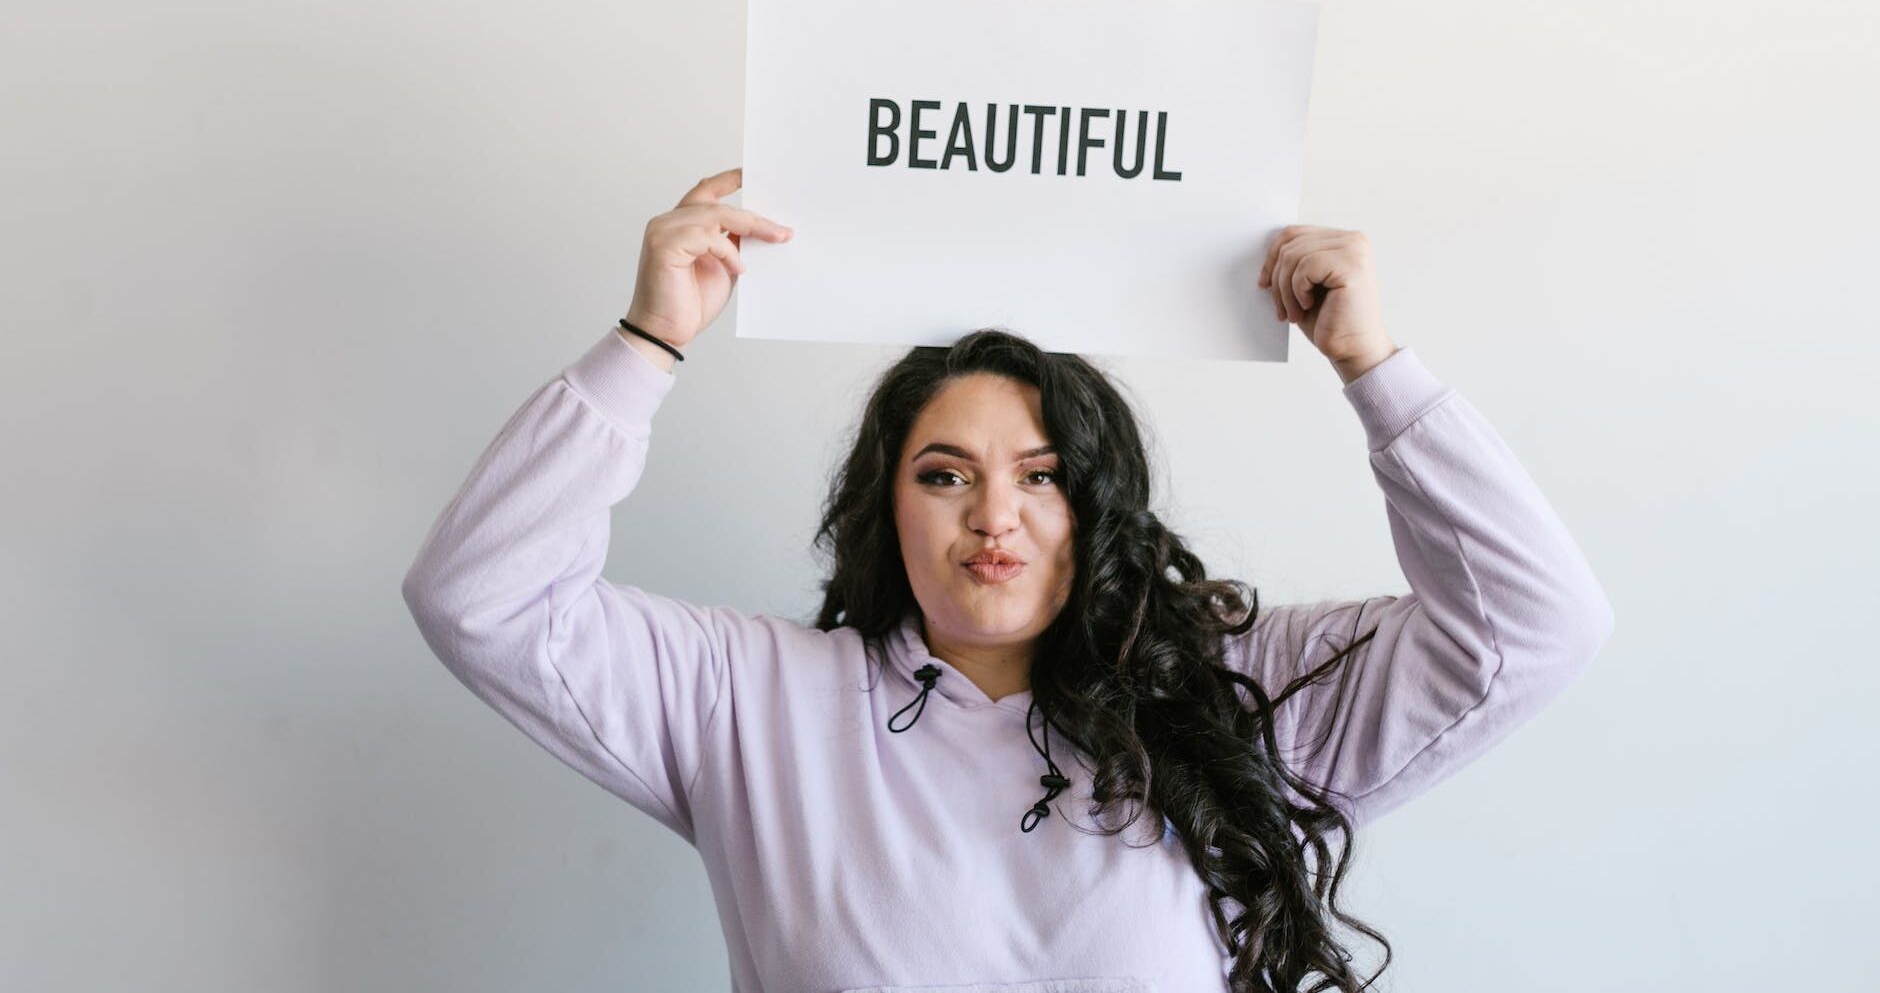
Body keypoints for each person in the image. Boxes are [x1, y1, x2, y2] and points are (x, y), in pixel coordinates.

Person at [401, 167, 1614, 993]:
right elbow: (483, 596)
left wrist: (1372, 363)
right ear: (884, 503)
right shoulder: (745, 695)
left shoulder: (1245, 692)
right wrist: (646, 342)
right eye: (943, 473)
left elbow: (1531, 620)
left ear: (1100, 504)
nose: (994, 516)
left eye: (1042, 475)